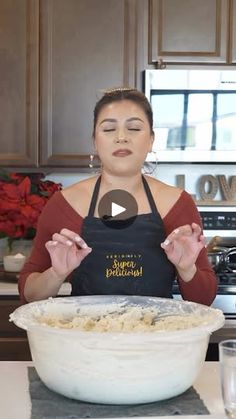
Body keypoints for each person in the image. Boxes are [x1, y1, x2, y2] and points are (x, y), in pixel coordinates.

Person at [18, 87, 217, 305]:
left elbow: (204, 300)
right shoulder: (64, 204)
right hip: (85, 337)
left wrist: (187, 268)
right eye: (109, 129)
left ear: (151, 140)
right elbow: (29, 295)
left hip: (157, 336)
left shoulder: (178, 203)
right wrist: (56, 273)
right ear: (95, 140)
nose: (121, 137)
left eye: (133, 128)